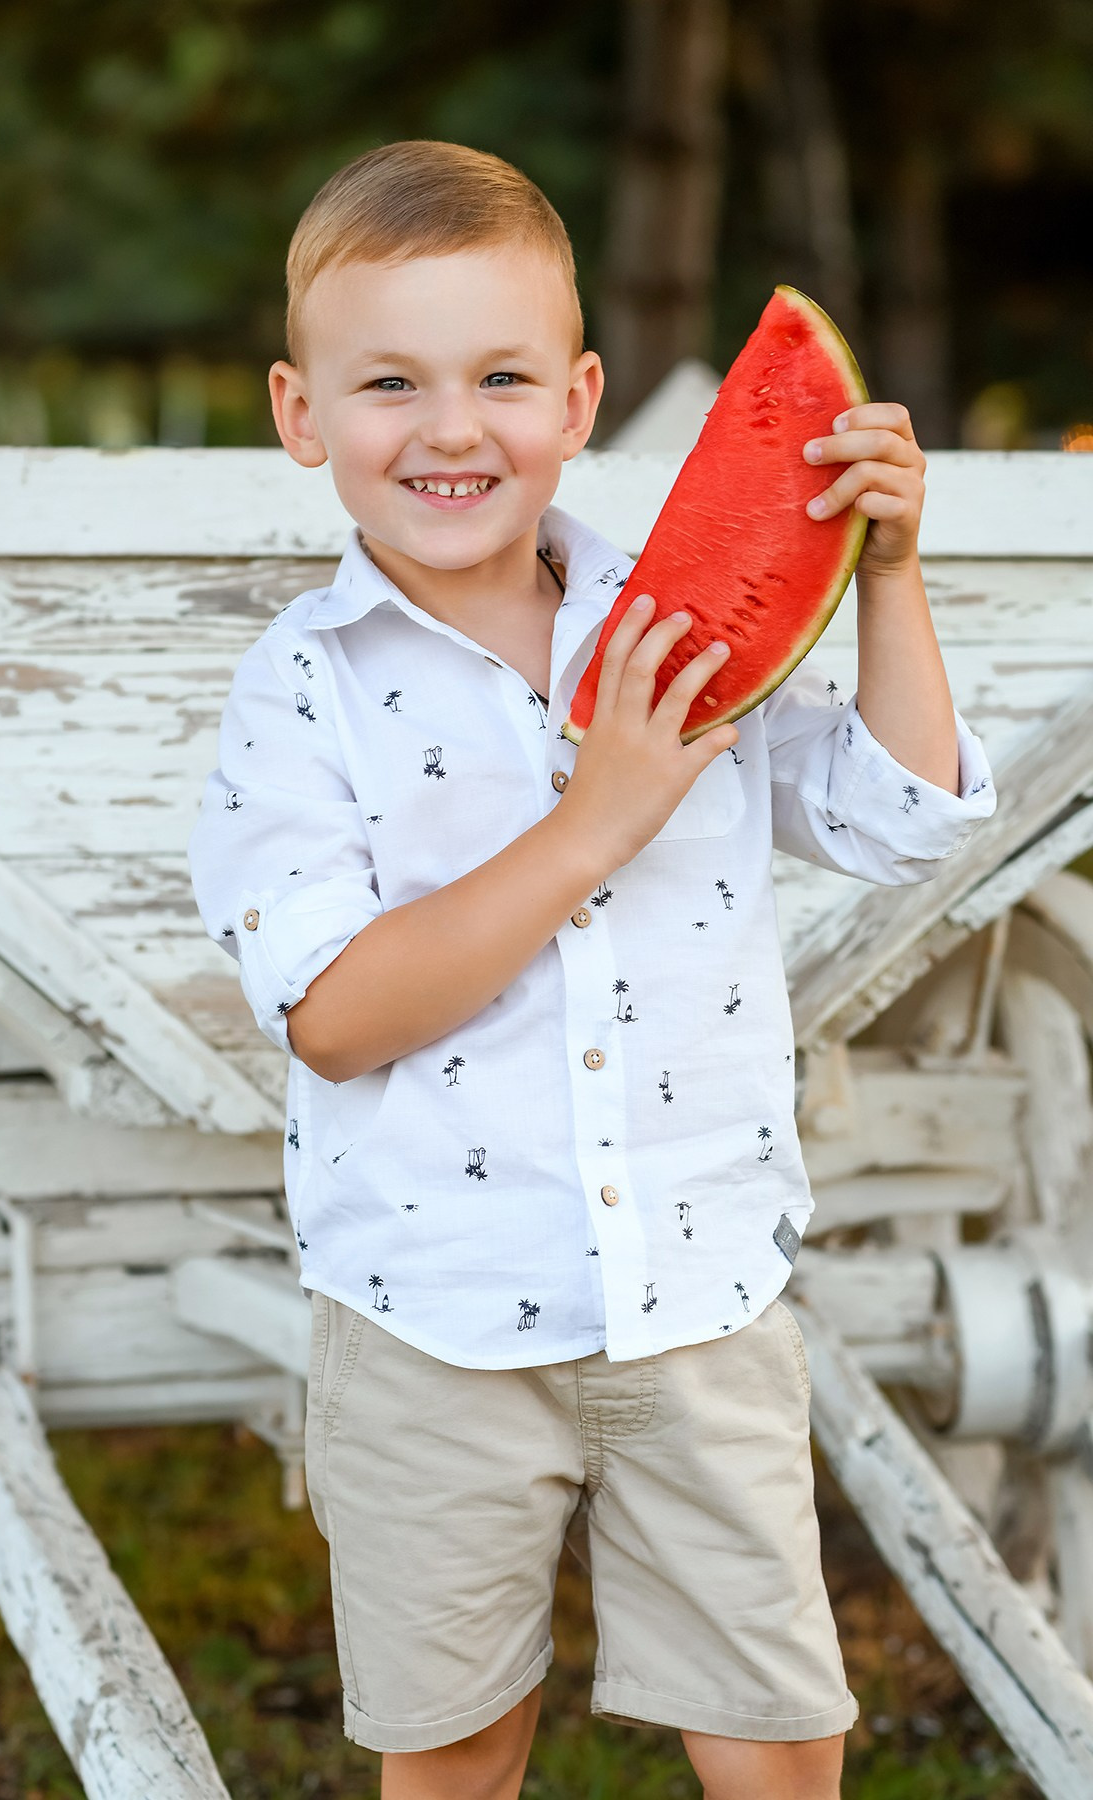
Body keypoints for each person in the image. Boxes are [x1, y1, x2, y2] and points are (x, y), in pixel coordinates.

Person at [187, 139, 997, 1800]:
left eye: (501, 376)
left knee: (781, 1744)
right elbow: (335, 1018)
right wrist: (601, 816)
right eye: (388, 383)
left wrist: (881, 573)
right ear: (298, 413)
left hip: (699, 1296)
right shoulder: (301, 693)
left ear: (580, 395)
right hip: (429, 1321)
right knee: (459, 1753)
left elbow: (904, 822)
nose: (453, 427)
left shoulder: (678, 619)